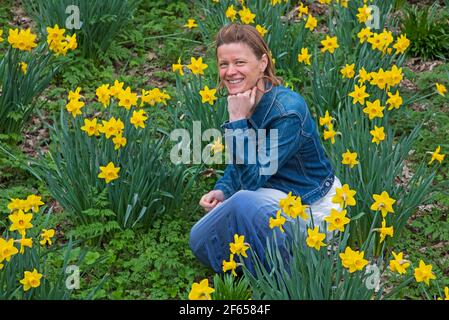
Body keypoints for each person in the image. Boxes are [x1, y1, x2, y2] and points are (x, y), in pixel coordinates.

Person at [189, 23, 341, 275]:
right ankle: (260, 272)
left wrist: (237, 121)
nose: (230, 71)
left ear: (262, 63)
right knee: (201, 238)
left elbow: (251, 180)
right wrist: (223, 189)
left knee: (243, 202)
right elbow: (242, 160)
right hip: (268, 198)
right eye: (223, 64)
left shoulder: (287, 111)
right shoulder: (243, 98)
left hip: (310, 207)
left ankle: (291, 280)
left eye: (239, 62)